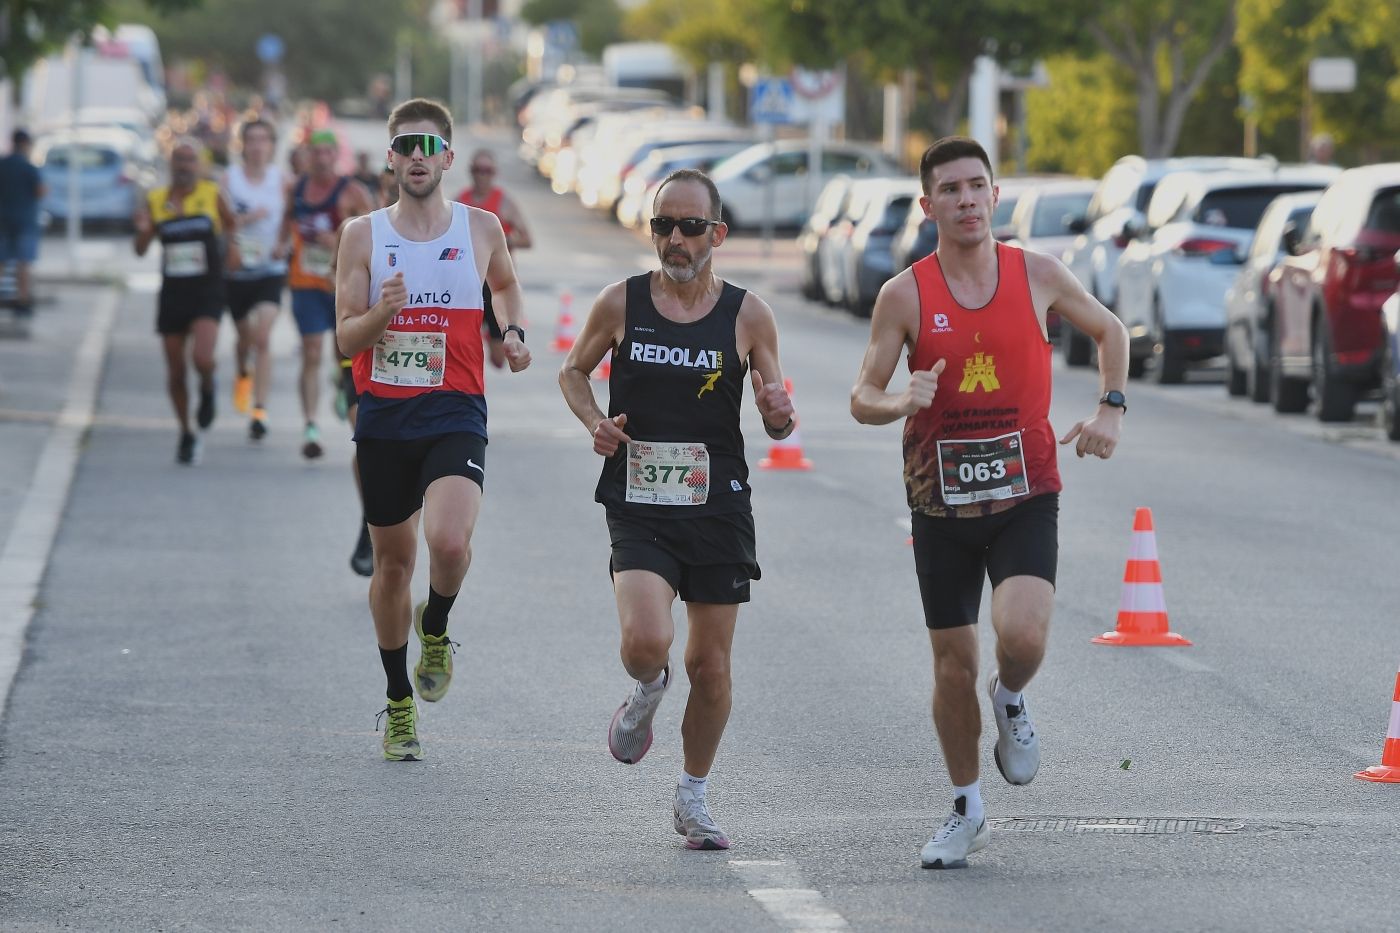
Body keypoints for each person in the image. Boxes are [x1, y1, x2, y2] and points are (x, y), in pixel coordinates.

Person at [849, 137, 1129, 869]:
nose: (966, 199)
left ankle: (1009, 696)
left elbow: (1111, 330)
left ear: (995, 195)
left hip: (1025, 491)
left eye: (977, 185)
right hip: (938, 502)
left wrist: (1110, 409)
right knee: (952, 666)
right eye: (950, 189)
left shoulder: (1037, 273)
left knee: (1023, 636)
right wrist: (898, 400)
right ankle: (967, 807)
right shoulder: (904, 294)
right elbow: (862, 395)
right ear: (928, 205)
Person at [559, 168, 796, 851]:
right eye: (663, 226)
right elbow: (572, 371)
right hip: (639, 500)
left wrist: (777, 413)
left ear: (717, 234)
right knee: (645, 641)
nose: (676, 240)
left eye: (691, 227)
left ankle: (693, 793)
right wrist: (595, 421)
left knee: (711, 666)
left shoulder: (749, 315)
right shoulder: (621, 302)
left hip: (718, 506)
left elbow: (777, 416)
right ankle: (647, 686)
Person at [335, 98, 530, 760]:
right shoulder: (362, 235)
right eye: (404, 146)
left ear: (447, 156)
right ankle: (398, 702)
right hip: (386, 416)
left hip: (455, 408)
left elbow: (505, 285)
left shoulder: (481, 226)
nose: (416, 157)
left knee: (448, 541)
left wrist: (513, 331)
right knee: (394, 565)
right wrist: (381, 315)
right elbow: (346, 338)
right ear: (390, 159)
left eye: (428, 146)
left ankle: (437, 625)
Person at [134, 138, 241, 464]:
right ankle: (185, 431)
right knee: (176, 369)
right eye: (179, 159)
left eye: (190, 159)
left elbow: (231, 224)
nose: (184, 165)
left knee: (202, 358)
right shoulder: (156, 200)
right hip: (173, 293)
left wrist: (233, 248)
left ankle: (208, 386)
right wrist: (143, 230)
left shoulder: (212, 194)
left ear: (200, 165)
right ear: (171, 164)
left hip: (207, 289)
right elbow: (140, 249)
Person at [281, 128, 374, 459]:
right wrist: (280, 246)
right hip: (304, 282)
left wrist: (337, 242)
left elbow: (374, 234)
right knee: (311, 351)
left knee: (343, 352)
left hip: (342, 286)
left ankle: (343, 383)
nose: (321, 159)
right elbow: (285, 223)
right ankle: (310, 424)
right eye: (315, 152)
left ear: (336, 156)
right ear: (307, 155)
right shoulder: (297, 189)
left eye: (327, 153)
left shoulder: (352, 191)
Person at [222, 118, 288, 440]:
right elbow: (221, 222)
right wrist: (247, 219)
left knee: (262, 338)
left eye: (264, 140)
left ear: (272, 146)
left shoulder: (282, 180)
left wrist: (284, 244)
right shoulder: (229, 179)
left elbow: (291, 219)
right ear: (243, 145)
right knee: (244, 339)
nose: (258, 146)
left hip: (270, 271)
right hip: (238, 273)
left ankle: (259, 410)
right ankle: (242, 372)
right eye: (252, 140)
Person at [455, 148, 532, 369]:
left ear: (494, 173)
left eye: (487, 170)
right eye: (478, 170)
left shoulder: (504, 202)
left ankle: (489, 333)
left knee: (498, 360)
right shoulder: (460, 201)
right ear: (471, 171)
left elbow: (527, 239)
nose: (482, 175)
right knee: (463, 348)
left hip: (496, 284)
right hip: (468, 282)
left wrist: (505, 240)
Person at [0, 130, 45, 324]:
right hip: (25, 222)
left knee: (1, 262)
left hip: (2, 220)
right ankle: (22, 301)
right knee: (23, 263)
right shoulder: (29, 167)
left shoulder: (2, 165)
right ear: (26, 144)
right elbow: (41, 191)